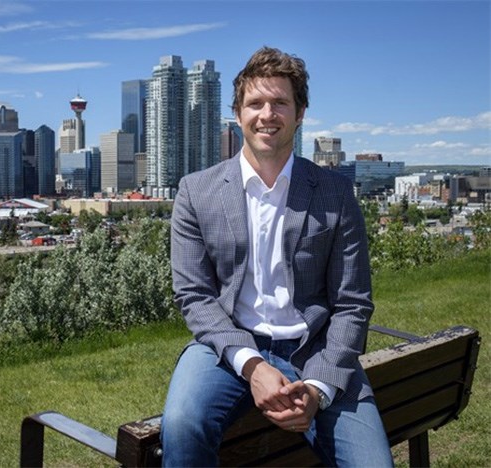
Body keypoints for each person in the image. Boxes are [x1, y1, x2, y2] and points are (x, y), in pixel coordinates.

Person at [160, 46, 394, 467]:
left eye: (280, 103)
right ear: (237, 112)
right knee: (180, 424)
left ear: (300, 113)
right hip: (227, 349)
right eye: (255, 103)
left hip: (318, 349)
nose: (267, 114)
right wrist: (252, 366)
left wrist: (319, 388)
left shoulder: (335, 193)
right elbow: (194, 296)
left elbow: (352, 303)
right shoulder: (196, 192)